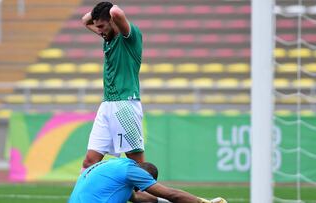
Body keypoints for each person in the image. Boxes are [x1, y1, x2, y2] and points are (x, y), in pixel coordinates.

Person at [80, 1, 145, 170]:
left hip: (126, 105)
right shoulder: (107, 37)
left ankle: (155, 196)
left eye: (101, 26)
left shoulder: (129, 37)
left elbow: (116, 12)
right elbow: (84, 20)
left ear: (111, 21)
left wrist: (109, 8)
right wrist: (99, 14)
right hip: (107, 105)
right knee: (89, 162)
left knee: (137, 165)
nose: (98, 31)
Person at [68, 158, 227, 203]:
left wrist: (164, 202)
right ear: (145, 178)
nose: (139, 190)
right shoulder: (132, 172)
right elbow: (172, 194)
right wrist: (202, 202)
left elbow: (136, 197)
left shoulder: (115, 165)